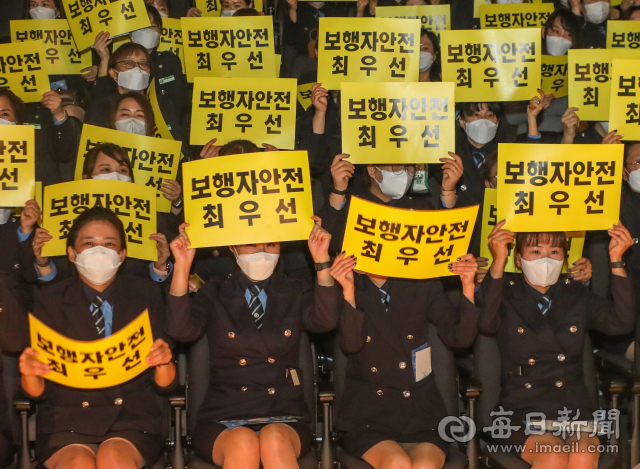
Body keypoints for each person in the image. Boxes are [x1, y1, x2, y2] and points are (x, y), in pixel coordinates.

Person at [166, 218, 339, 467]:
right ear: (232, 248)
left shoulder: (295, 289)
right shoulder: (214, 291)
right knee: (243, 442)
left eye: (270, 244)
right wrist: (182, 265)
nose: (262, 253)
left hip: (284, 411)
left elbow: (325, 322)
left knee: (274, 439)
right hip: (223, 415)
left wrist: (321, 259)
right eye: (251, 244)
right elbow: (181, 330)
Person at [18, 206, 176, 469]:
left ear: (123, 254)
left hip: (131, 419)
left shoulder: (145, 294)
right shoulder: (50, 298)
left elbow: (165, 385)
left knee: (113, 457)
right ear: (72, 253)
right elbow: (37, 391)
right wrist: (29, 371)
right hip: (66, 420)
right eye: (89, 243)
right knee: (79, 462)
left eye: (109, 244)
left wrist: (163, 362)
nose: (99, 251)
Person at [479, 222, 635, 467]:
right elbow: (486, 323)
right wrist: (498, 260)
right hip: (522, 407)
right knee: (552, 454)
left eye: (554, 252)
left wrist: (616, 261)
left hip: (573, 406)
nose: (545, 259)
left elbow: (620, 323)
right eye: (536, 252)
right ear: (518, 259)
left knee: (584, 454)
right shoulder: (504, 294)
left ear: (564, 258)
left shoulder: (576, 294)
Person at [330, 247, 479, 468]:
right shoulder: (346, 285)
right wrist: (348, 290)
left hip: (421, 413)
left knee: (426, 465)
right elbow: (351, 345)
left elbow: (460, 338)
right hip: (368, 416)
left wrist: (468, 285)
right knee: (396, 462)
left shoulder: (421, 284)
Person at [18, 143, 174, 285]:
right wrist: (43, 263)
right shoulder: (63, 214)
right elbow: (53, 283)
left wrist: (159, 266)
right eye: (106, 169)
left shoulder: (149, 217)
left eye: (123, 170)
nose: (116, 176)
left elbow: (155, 284)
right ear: (86, 178)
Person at [86, 6, 189, 147]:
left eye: (143, 64)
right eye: (129, 63)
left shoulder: (163, 104)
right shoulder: (102, 107)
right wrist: (104, 61)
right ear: (113, 72)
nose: (137, 69)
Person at [0, 89, 81, 185]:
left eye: (4, 114)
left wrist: (59, 114)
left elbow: (64, 154)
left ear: (17, 120)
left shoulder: (37, 142)